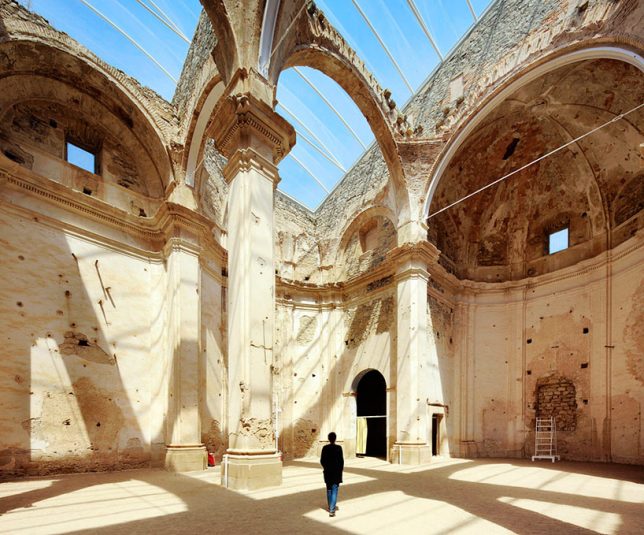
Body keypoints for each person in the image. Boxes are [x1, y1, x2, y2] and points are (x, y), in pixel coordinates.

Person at [320, 431, 344, 517]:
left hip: (328, 472)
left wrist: (326, 468)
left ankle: (330, 507)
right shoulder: (339, 448)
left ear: (328, 439)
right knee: (335, 490)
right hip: (336, 473)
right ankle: (332, 510)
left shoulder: (325, 448)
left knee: (329, 489)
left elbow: (322, 461)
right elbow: (341, 461)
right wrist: (340, 471)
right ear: (335, 439)